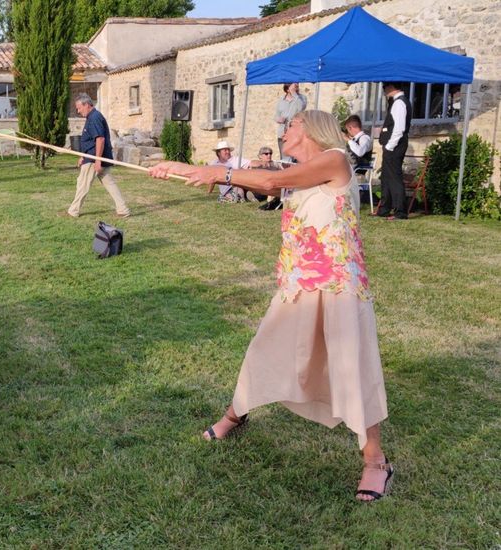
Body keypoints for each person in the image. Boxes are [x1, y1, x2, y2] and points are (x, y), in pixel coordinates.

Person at [148, 110, 393, 503]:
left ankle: (376, 461)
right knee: (265, 351)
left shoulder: (334, 159)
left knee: (353, 368)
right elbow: (269, 184)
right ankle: (235, 415)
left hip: (338, 286)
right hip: (297, 286)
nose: (284, 129)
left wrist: (215, 171)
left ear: (311, 129)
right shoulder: (302, 171)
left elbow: (271, 180)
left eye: (292, 124)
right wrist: (182, 171)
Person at [67, 93, 130, 218]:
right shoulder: (92, 117)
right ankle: (123, 209)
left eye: (79, 108)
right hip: (94, 156)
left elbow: (100, 139)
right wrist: (82, 156)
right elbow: (90, 140)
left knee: (82, 184)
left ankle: (73, 211)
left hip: (94, 158)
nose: (78, 111)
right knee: (109, 183)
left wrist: (97, 160)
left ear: (87, 105)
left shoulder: (94, 117)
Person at [375, 82, 411, 220]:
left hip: (395, 145)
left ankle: (400, 211)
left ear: (391, 87)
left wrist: (390, 145)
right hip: (392, 144)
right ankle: (384, 208)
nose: (384, 90)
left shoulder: (399, 103)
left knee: (394, 178)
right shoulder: (396, 102)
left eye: (385, 87)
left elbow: (399, 128)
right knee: (386, 176)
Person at [275, 83, 307, 159]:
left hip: (295, 132)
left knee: (294, 157)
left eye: (297, 86)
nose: (297, 87)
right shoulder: (281, 100)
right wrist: (278, 119)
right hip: (282, 133)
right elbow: (276, 115)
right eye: (294, 86)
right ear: (287, 88)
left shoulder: (302, 98)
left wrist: (295, 95)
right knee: (284, 158)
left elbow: (301, 108)